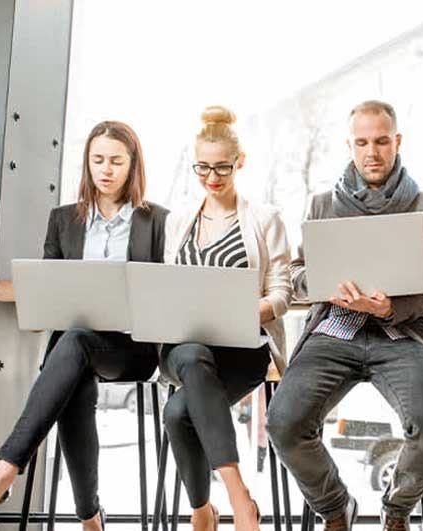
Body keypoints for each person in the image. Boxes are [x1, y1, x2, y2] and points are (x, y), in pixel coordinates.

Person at [0, 121, 168, 530]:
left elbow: (165, 293)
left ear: (133, 165)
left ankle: (5, 471)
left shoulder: (156, 220)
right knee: (74, 374)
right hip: (74, 348)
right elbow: (50, 291)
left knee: (74, 348)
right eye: (97, 160)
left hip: (132, 348)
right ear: (86, 162)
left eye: (116, 161)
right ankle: (90, 518)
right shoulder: (63, 220)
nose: (105, 169)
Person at [266, 100, 423, 531]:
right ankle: (336, 508)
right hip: (334, 330)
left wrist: (390, 308)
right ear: (349, 145)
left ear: (397, 142)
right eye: (362, 143)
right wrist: (322, 284)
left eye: (382, 141)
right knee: (284, 422)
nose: (372, 152)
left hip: (401, 333)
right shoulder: (321, 205)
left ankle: (396, 508)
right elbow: (297, 275)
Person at [160, 106, 292, 531]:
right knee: (192, 353)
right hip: (183, 347)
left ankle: (203, 511)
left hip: (241, 348)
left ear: (240, 162)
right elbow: (167, 286)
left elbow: (282, 293)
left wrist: (249, 309)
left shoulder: (265, 219)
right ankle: (239, 496)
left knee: (177, 413)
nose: (212, 177)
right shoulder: (179, 220)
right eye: (202, 167)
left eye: (222, 167)